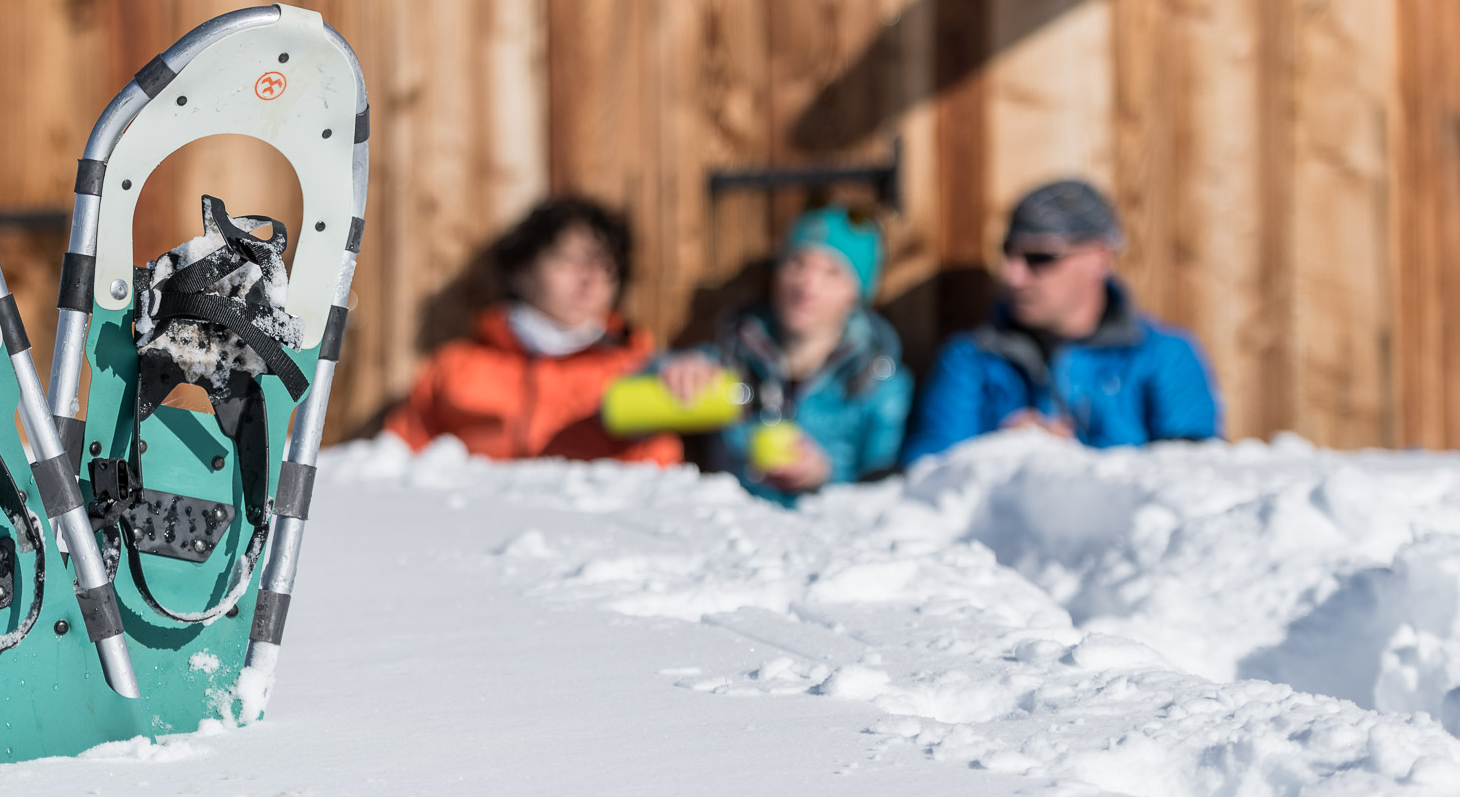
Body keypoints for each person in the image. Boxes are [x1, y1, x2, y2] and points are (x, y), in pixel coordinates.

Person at [903, 179, 1220, 462]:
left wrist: (1073, 464)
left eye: (1039, 257)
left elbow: (1192, 477)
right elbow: (923, 478)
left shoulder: (1165, 356)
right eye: (1009, 254)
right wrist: (998, 455)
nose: (1013, 275)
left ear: (1099, 257)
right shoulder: (969, 360)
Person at [385, 197, 681, 464]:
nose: (589, 279)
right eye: (570, 261)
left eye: (606, 267)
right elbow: (395, 461)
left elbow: (659, 479)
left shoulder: (638, 369)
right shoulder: (454, 368)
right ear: (522, 271)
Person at [658, 206, 912, 506]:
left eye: (832, 273)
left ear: (856, 294)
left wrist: (825, 476)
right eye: (798, 263)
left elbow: (883, 486)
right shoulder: (731, 354)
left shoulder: (879, 381)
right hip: (729, 525)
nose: (807, 285)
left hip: (829, 536)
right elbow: (625, 388)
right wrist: (674, 369)